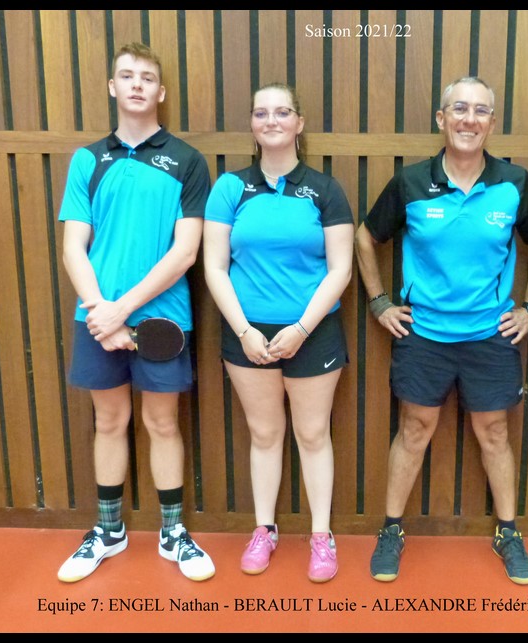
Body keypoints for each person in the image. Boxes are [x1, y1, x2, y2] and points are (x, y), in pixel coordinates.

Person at [355, 76, 528, 584]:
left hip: (490, 334)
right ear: (441, 119)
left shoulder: (514, 183)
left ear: (492, 122)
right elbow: (365, 237)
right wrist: (379, 302)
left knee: (495, 432)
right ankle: (391, 530)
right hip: (424, 335)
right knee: (414, 430)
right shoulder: (411, 183)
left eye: (481, 110)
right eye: (459, 109)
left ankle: (508, 532)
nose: (470, 119)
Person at [56, 42, 215, 583]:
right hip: (96, 319)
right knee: (108, 420)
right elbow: (74, 247)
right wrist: (101, 314)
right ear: (112, 87)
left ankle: (173, 532)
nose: (137, 84)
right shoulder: (87, 159)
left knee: (162, 422)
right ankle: (108, 530)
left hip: (160, 320)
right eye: (127, 76)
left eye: (147, 77)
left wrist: (122, 311)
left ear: (161, 91)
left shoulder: (187, 161)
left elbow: (185, 252)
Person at [203, 82, 355, 583]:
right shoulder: (230, 188)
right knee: (265, 434)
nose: (272, 120)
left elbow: (341, 269)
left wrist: (302, 328)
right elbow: (215, 268)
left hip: (313, 332)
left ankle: (321, 536)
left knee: (312, 434)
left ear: (299, 123)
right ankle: (264, 530)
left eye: (283, 112)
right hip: (246, 334)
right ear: (252, 124)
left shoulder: (326, 190)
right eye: (262, 113)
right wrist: (244, 330)